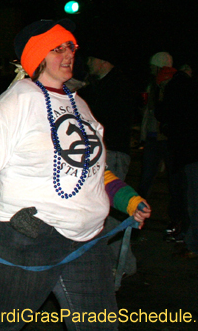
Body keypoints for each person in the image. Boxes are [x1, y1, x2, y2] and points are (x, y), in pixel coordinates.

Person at [0, 19, 151, 330]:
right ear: (37, 56)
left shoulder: (80, 104)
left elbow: (94, 171)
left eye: (71, 47)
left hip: (86, 241)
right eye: (57, 48)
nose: (69, 54)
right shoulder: (17, 100)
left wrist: (127, 199)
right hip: (27, 236)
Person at [155, 63, 198, 258]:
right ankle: (197, 240)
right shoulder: (193, 88)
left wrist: (161, 99)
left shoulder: (174, 90)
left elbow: (165, 117)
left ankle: (196, 245)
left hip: (195, 153)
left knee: (197, 201)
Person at [83, 42, 139, 275]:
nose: (88, 63)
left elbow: (104, 117)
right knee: (104, 210)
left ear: (104, 62)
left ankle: (121, 264)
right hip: (110, 151)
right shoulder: (107, 84)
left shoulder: (116, 85)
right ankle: (122, 263)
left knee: (108, 210)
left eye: (92, 59)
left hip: (113, 152)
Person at [138, 52, 186, 239]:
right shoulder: (153, 86)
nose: (151, 69)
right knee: (146, 181)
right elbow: (149, 113)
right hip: (153, 139)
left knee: (175, 184)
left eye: (153, 66)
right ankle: (137, 220)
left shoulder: (169, 85)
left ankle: (175, 223)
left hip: (166, 140)